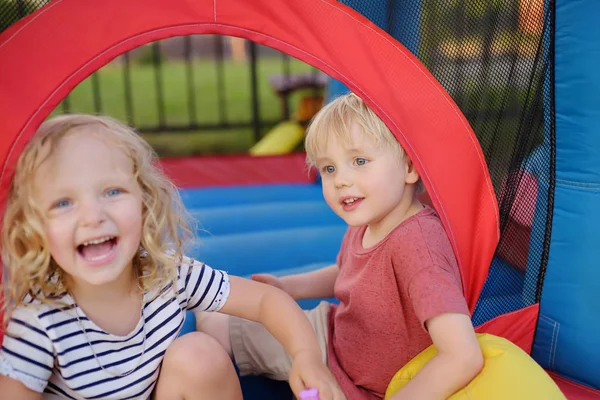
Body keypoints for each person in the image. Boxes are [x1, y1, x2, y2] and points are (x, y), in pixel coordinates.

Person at [0, 114, 344, 400]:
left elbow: (266, 300)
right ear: (33, 226)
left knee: (199, 354)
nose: (92, 216)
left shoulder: (166, 274)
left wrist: (306, 357)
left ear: (144, 202)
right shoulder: (40, 317)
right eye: (63, 203)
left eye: (112, 191)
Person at [198, 93, 484, 399]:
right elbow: (349, 273)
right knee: (212, 319)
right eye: (328, 169)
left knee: (212, 322)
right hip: (333, 337)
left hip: (363, 386)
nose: (340, 180)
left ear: (410, 168)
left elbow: (462, 355)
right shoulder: (369, 221)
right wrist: (289, 287)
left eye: (359, 161)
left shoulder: (418, 246)